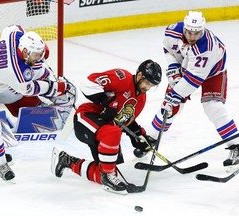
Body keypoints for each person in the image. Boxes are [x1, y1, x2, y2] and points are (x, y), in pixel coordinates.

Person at [0, 25, 71, 182]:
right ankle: (0, 164)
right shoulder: (12, 70)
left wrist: (48, 75)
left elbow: (12, 28)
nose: (38, 58)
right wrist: (56, 87)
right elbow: (29, 89)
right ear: (25, 51)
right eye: (35, 55)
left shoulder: (15, 38)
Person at [140, 11, 239, 168]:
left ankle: (237, 148)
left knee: (213, 107)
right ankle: (150, 140)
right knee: (168, 108)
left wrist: (175, 95)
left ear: (202, 30)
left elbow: (193, 80)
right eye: (190, 32)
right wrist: (173, 67)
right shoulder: (172, 31)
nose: (193, 36)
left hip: (213, 72)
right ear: (185, 29)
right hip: (186, 66)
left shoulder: (206, 48)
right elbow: (168, 49)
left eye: (197, 33)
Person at [51, 59, 162, 194]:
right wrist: (106, 102)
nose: (148, 88)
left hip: (105, 131)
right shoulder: (122, 77)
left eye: (152, 85)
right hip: (86, 117)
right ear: (139, 75)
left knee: (105, 172)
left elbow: (127, 121)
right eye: (147, 83)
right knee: (113, 134)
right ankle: (108, 176)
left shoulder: (141, 99)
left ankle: (67, 161)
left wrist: (139, 136)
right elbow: (87, 84)